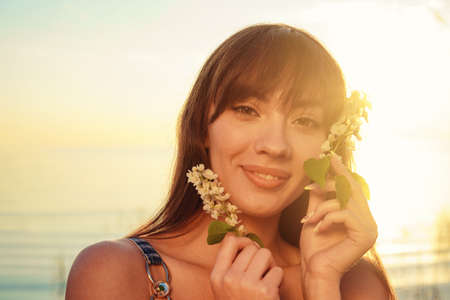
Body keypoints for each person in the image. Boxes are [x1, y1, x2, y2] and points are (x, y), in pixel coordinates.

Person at [65, 24, 396, 300]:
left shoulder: (354, 283)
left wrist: (321, 283)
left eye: (305, 121)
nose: (275, 146)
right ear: (203, 127)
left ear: (330, 146)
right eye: (247, 111)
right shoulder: (117, 273)